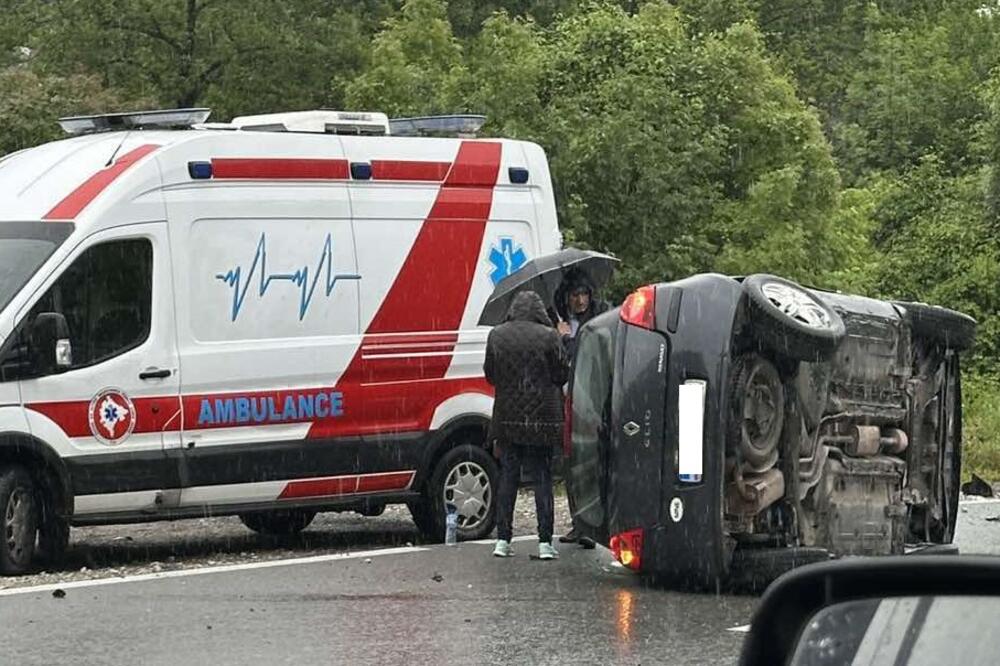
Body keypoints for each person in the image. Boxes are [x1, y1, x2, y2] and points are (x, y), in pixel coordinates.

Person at [484, 290, 569, 560]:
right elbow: (561, 374)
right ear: (538, 310)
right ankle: (545, 543)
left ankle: (503, 540)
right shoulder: (549, 336)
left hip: (507, 419)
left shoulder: (497, 335)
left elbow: (490, 374)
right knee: (542, 479)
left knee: (508, 477)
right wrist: (562, 338)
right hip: (542, 419)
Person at [551, 270, 610, 548]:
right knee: (570, 461)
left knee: (587, 461)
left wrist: (565, 339)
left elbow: (584, 354)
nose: (581, 300)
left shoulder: (596, 322)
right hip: (567, 399)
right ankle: (578, 522)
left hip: (590, 401)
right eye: (575, 295)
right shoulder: (562, 322)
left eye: (584, 294)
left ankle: (590, 524)